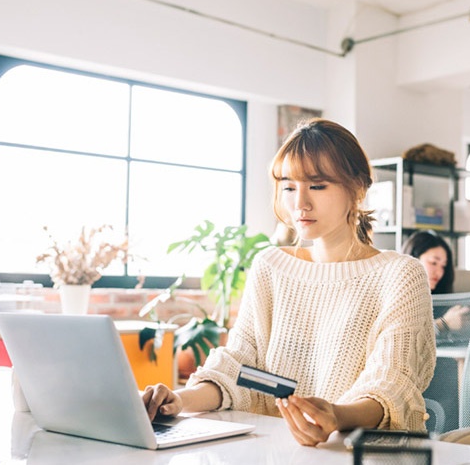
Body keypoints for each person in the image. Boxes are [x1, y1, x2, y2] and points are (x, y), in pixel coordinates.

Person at [142, 118, 436, 446]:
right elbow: (239, 365)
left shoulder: (399, 275)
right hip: (270, 450)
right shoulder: (270, 267)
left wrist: (336, 416)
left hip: (349, 452)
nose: (300, 203)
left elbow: (391, 384)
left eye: (318, 186)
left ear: (358, 189)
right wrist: (178, 401)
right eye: (289, 187)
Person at [401, 230, 470, 338]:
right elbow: (404, 339)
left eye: (443, 266)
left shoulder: (433, 299)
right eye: (433, 263)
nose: (439, 272)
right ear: (412, 260)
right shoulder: (395, 298)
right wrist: (444, 324)